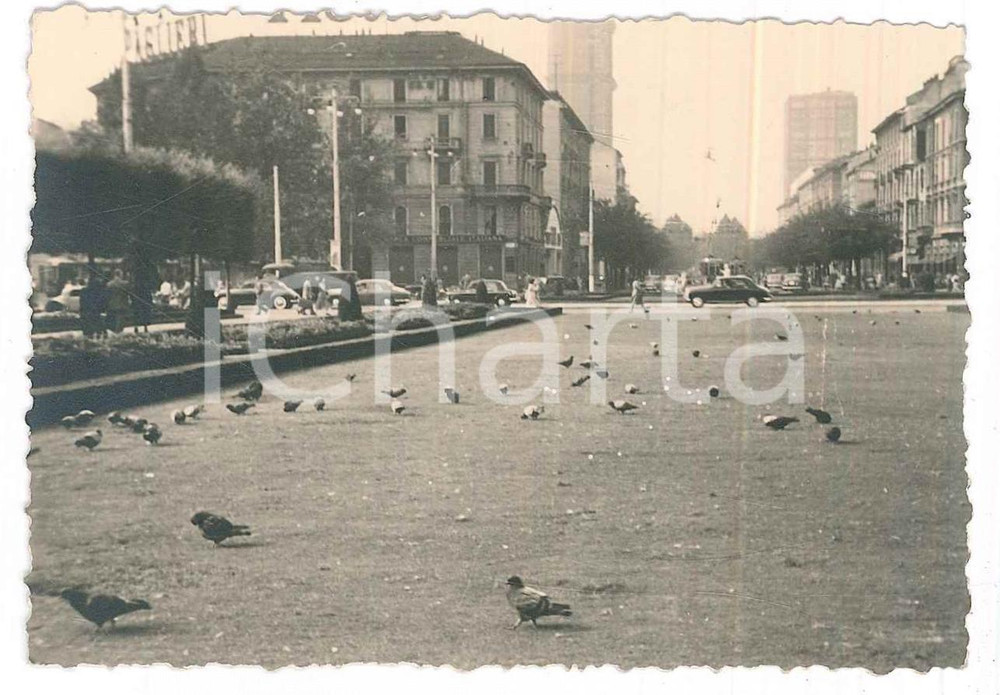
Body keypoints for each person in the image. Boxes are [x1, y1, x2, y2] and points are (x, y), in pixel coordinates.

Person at [106, 269, 131, 333]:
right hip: (122, 304)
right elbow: (129, 292)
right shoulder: (125, 283)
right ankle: (119, 331)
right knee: (121, 319)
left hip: (112, 304)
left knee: (114, 318)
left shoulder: (109, 284)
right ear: (120, 275)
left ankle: (115, 331)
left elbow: (107, 295)